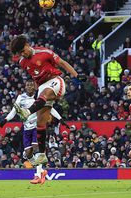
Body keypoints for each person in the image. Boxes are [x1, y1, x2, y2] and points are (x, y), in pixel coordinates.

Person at [9, 35, 82, 166]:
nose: (22, 54)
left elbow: (62, 63)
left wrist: (76, 75)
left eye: (23, 51)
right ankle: (42, 155)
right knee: (40, 123)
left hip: (55, 81)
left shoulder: (45, 53)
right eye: (20, 53)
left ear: (27, 44)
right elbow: (35, 75)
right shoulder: (22, 62)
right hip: (42, 87)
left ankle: (27, 111)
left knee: (44, 94)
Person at [0, 79, 62, 185]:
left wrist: (60, 118)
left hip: (37, 126)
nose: (29, 87)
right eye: (27, 85)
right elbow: (14, 111)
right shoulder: (21, 98)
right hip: (26, 128)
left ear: (34, 86)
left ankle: (37, 175)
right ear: (25, 86)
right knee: (28, 153)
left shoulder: (40, 97)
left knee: (36, 148)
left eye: (31, 85)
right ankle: (42, 171)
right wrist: (6, 120)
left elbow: (49, 108)